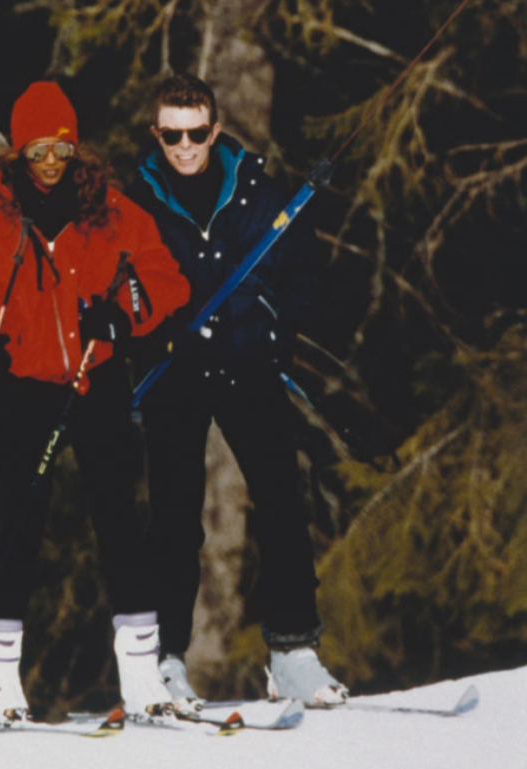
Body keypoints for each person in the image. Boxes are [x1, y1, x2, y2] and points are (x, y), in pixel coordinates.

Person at [0, 81, 190, 722]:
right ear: (17, 151)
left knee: (120, 519)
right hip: (23, 387)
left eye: (60, 148)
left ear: (75, 149)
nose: (49, 161)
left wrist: (123, 319)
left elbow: (163, 278)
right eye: (37, 149)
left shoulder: (113, 212)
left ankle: (144, 680)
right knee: (21, 523)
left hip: (93, 384)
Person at [127, 73, 348, 706]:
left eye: (196, 132)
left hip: (248, 364)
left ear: (215, 130)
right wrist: (156, 336)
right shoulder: (136, 199)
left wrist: (277, 331)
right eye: (172, 134)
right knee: (173, 517)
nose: (185, 146)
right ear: (157, 135)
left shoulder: (255, 186)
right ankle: (165, 658)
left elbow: (299, 265)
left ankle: (293, 651)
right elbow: (124, 283)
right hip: (175, 371)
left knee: (281, 499)